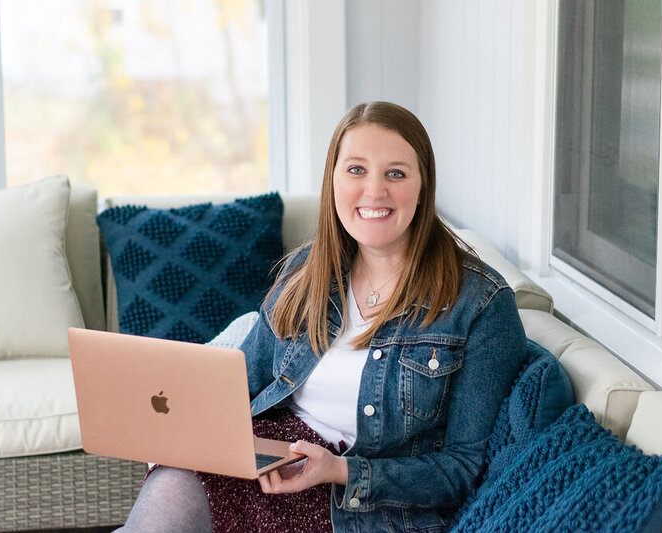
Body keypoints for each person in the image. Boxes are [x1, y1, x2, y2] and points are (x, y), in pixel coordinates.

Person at [116, 101, 527, 533]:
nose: (374, 191)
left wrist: (340, 471)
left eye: (396, 173)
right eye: (356, 170)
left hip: (359, 502)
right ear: (332, 179)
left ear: (424, 185)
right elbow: (239, 381)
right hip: (272, 460)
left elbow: (462, 471)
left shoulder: (480, 304)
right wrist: (176, 426)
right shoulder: (308, 271)